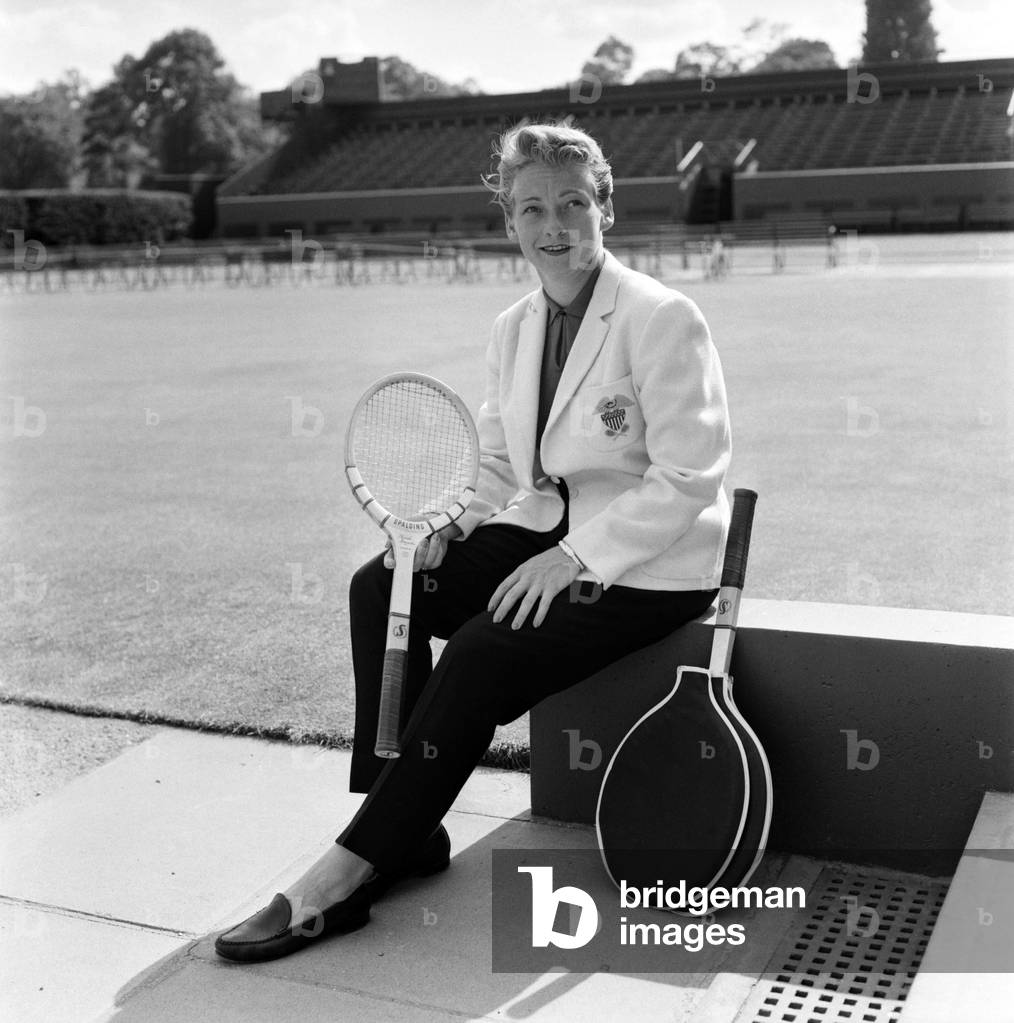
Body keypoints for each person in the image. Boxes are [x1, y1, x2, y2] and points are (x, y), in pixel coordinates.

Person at [214, 122, 732, 963]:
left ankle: (350, 870)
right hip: (548, 525)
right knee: (381, 586)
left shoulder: (663, 317)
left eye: (572, 203)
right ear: (511, 222)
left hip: (649, 561)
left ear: (604, 208)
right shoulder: (512, 327)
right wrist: (446, 525)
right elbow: (497, 463)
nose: (554, 225)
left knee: (483, 650)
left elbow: (690, 473)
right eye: (532, 208)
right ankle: (406, 825)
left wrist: (572, 560)